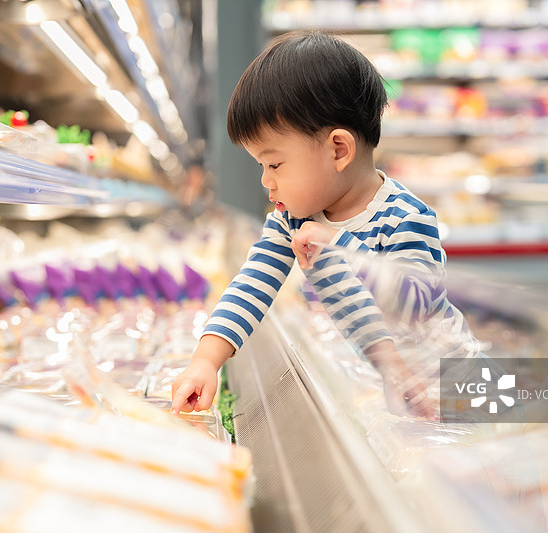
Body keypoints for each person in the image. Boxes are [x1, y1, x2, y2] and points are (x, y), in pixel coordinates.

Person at [172, 30, 457, 418]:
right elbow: (252, 283)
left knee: (495, 468)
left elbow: (418, 302)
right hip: (393, 378)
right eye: (261, 166)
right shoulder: (295, 218)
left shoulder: (404, 217)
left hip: (448, 374)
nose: (265, 180)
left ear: (338, 150)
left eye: (274, 164)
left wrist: (341, 246)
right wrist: (206, 360)